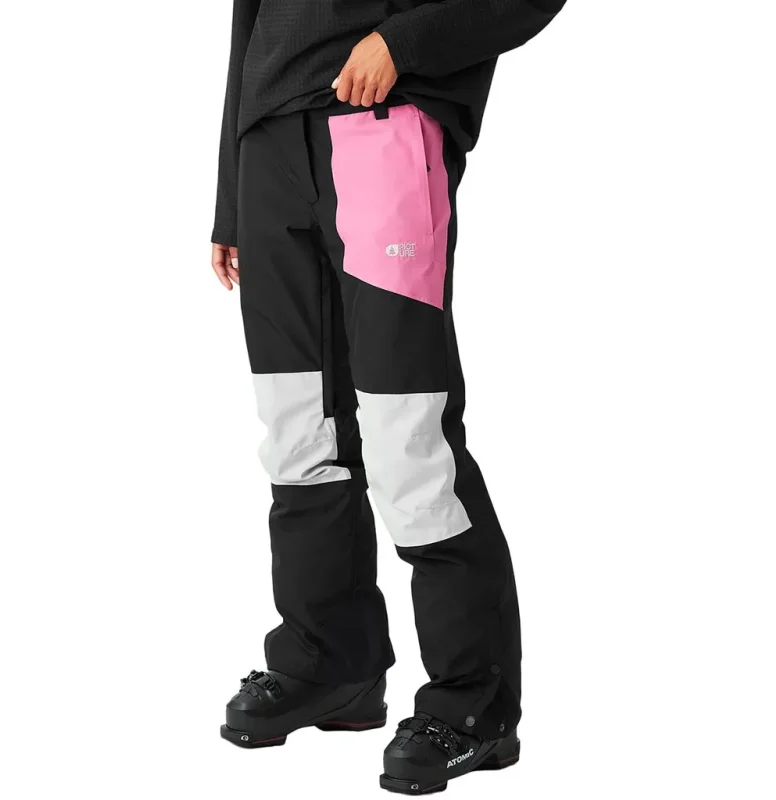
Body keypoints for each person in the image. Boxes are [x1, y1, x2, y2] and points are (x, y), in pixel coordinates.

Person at [211, 1, 566, 793]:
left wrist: (400, 43)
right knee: (297, 428)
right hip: (269, 145)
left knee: (408, 431)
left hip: (382, 122)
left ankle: (473, 706)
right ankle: (329, 663)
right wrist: (231, 196)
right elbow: (248, 21)